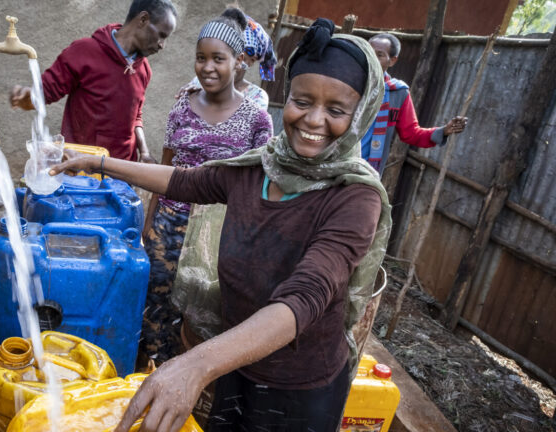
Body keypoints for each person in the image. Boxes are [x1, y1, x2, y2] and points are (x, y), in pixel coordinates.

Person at [51, 18, 392, 432]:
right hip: (236, 361)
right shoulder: (258, 169)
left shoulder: (354, 197)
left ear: (360, 115)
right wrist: (99, 162)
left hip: (299, 386)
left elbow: (307, 294)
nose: (314, 120)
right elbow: (183, 179)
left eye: (336, 110)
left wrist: (196, 363)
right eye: (303, 101)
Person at [139, 7, 273, 369]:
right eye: (201, 58)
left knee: (205, 313)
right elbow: (166, 166)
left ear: (238, 61)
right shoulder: (183, 103)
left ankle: (194, 377)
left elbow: (261, 186)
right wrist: (149, 226)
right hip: (169, 223)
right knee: (155, 304)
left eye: (218, 58)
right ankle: (153, 369)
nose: (208, 67)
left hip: (219, 232)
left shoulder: (258, 119)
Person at [9, 0, 178, 162]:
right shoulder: (84, 51)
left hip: (122, 173)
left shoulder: (144, 69)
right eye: (161, 35)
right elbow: (44, 93)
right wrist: (27, 97)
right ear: (143, 19)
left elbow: (136, 115)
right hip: (81, 169)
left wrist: (145, 152)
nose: (162, 45)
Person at [364, 32, 468, 175]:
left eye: (379, 55)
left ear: (392, 61)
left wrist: (443, 131)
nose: (371, 58)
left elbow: (411, 133)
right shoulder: (347, 83)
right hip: (334, 162)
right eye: (368, 52)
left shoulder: (398, 93)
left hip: (366, 172)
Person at [176, 14, 277, 110]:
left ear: (251, 61)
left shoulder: (256, 96)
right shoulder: (198, 83)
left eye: (237, 58)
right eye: (219, 58)